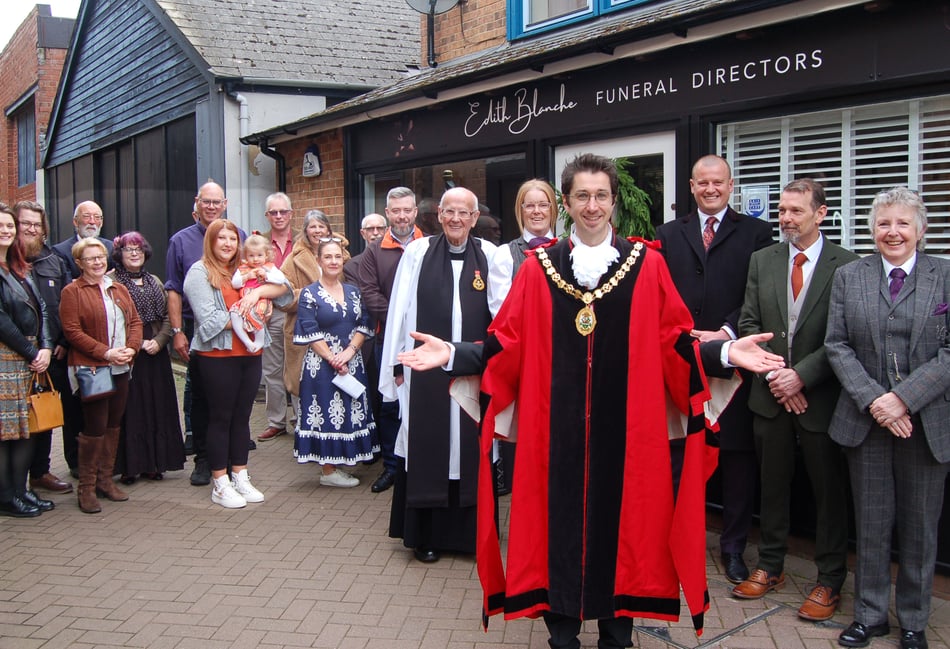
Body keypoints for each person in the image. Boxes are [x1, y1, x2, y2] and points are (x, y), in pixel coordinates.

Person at [395, 154, 785, 649]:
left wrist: (725, 352)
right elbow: (506, 343)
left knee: (627, 536)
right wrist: (454, 352)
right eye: (582, 195)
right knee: (554, 535)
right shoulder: (539, 271)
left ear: (613, 201)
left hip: (627, 440)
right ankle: (562, 637)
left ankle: (616, 637)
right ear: (567, 202)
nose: (592, 205)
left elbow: (674, 341)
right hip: (554, 440)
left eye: (601, 195)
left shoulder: (646, 265)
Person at [826, 187, 950, 649]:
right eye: (883, 223)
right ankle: (870, 616)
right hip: (868, 423)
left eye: (902, 223)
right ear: (872, 230)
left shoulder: (946, 275)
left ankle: (914, 621)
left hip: (925, 424)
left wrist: (903, 400)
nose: (892, 232)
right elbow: (837, 344)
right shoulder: (849, 276)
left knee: (920, 529)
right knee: (872, 525)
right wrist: (877, 402)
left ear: (921, 229)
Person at [733, 179, 857, 620]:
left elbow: (845, 335)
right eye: (782, 210)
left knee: (829, 494)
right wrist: (776, 376)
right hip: (770, 396)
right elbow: (750, 323)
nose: (785, 218)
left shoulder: (848, 265)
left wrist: (800, 377)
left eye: (796, 211)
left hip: (820, 399)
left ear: (820, 213)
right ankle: (770, 566)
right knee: (772, 487)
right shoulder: (762, 260)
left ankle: (829, 580)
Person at [655, 154, 773, 584]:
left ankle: (733, 548)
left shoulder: (757, 233)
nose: (710, 189)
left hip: (735, 359)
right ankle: (672, 542)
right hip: (683, 358)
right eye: (702, 183)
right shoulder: (668, 234)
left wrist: (726, 331)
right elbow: (660, 292)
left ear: (730, 185)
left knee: (737, 458)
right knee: (680, 455)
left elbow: (760, 294)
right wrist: (683, 333)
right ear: (691, 186)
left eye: (718, 182)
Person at [380, 187, 497, 563]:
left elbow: (501, 314)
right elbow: (399, 308)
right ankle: (426, 535)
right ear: (439, 216)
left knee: (469, 447)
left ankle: (470, 536)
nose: (456, 219)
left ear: (475, 218)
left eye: (464, 213)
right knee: (428, 441)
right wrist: (395, 364)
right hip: (423, 372)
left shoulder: (490, 255)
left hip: (473, 371)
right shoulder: (417, 252)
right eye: (450, 212)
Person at [183, 219, 291, 509]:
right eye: (221, 238)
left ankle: (240, 475)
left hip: (250, 353)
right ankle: (220, 482)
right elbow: (208, 320)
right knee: (221, 418)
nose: (228, 244)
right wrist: (251, 316)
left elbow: (286, 291)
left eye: (232, 239)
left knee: (243, 417)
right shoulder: (199, 272)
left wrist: (257, 293)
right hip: (217, 356)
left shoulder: (245, 268)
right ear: (210, 241)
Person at [165, 181, 244, 487]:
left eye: (216, 202)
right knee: (199, 396)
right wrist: (177, 331)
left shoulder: (238, 235)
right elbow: (173, 289)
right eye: (206, 201)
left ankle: (231, 461)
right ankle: (203, 459)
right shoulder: (180, 241)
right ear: (197, 202)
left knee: (230, 401)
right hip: (197, 327)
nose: (211, 207)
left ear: (225, 204)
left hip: (236, 332)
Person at [60, 238, 143, 514]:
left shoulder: (118, 288)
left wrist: (131, 349)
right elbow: (72, 332)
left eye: (100, 257)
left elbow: (135, 322)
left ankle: (105, 481)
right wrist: (106, 353)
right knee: (95, 425)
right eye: (90, 258)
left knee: (113, 423)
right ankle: (86, 487)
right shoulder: (72, 291)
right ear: (79, 263)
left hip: (121, 367)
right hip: (92, 367)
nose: (97, 262)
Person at [357, 187, 425, 493]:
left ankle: (420, 464)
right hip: (387, 339)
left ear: (415, 212)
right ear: (388, 213)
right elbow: (369, 292)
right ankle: (392, 467)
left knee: (422, 400)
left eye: (407, 210)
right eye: (396, 210)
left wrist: (416, 321)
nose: (402, 216)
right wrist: (400, 320)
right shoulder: (374, 252)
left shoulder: (429, 245)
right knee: (389, 403)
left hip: (423, 338)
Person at [294, 239, 377, 486]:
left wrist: (349, 352)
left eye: (337, 257)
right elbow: (309, 329)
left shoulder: (354, 291)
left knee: (349, 410)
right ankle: (328, 471)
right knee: (326, 412)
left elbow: (365, 323)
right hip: (321, 366)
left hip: (352, 362)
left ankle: (342, 462)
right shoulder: (309, 293)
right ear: (318, 261)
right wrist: (333, 358)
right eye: (327, 257)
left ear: (343, 260)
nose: (333, 261)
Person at [109, 232, 184, 484]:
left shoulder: (154, 281)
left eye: (138, 249)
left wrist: (160, 340)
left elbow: (167, 315)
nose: (134, 254)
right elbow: (111, 320)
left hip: (155, 353)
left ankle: (154, 463)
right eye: (128, 249)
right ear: (119, 253)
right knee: (131, 410)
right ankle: (130, 466)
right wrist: (136, 343)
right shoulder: (111, 282)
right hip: (128, 353)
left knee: (156, 407)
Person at [15, 201, 74, 493]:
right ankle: (14, 481)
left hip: (53, 353)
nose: (31, 229)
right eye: (25, 223)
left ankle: (40, 472)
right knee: (16, 417)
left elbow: (67, 304)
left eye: (36, 224)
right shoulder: (7, 262)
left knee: (46, 412)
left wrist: (61, 342)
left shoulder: (54, 261)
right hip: (16, 354)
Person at [0, 204, 54, 517]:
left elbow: (42, 308)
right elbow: (2, 322)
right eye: (1, 226)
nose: (6, 231)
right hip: (8, 358)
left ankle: (21, 490)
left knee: (25, 429)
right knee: (6, 432)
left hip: (30, 358)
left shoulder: (18, 267)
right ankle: (6, 496)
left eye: (9, 226)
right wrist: (34, 353)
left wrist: (45, 346)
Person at [279, 210, 349, 431]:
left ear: (328, 229)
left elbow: (350, 290)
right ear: (305, 230)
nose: (317, 231)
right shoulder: (293, 259)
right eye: (313, 227)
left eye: (321, 226)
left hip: (337, 331)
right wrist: (312, 296)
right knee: (304, 384)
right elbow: (283, 298)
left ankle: (332, 431)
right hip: (304, 331)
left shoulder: (343, 253)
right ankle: (305, 431)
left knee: (333, 382)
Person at [257, 193, 296, 442]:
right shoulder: (258, 243)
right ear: (267, 215)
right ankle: (276, 421)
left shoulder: (302, 240)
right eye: (274, 212)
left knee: (297, 367)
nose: (279, 216)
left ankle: (301, 420)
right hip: (270, 314)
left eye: (283, 212)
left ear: (291, 214)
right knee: (272, 370)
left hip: (296, 313)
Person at [229, 234, 288, 354]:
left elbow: (281, 280)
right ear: (246, 256)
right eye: (251, 255)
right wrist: (246, 277)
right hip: (245, 299)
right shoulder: (243, 269)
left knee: (257, 314)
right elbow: (234, 283)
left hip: (261, 299)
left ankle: (259, 340)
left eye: (259, 255)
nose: (255, 259)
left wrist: (267, 276)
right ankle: (247, 341)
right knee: (234, 313)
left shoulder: (268, 268)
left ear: (266, 255)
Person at [53, 201, 114, 279]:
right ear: (75, 221)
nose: (92, 222)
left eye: (97, 217)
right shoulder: (60, 251)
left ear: (101, 223)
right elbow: (64, 281)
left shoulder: (111, 247)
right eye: (86, 216)